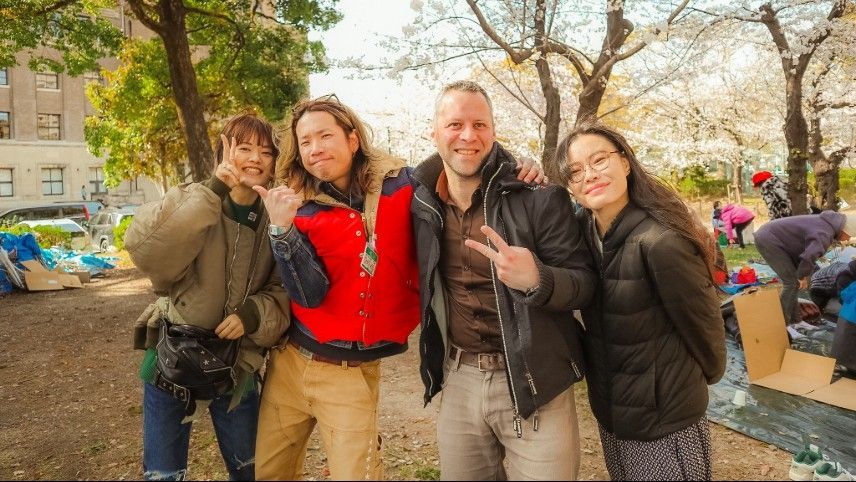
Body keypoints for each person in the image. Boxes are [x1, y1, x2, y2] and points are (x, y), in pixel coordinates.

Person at [252, 94, 544, 480]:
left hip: (350, 370)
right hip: (292, 359)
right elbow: (309, 294)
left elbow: (462, 153)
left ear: (352, 139)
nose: (315, 149)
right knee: (269, 472)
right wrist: (282, 231)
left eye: (324, 136)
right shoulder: (295, 204)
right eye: (305, 142)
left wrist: (518, 165)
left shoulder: (404, 184)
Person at [411, 80, 596, 480]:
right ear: (434, 131)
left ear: (493, 132)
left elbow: (584, 283)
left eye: (480, 125)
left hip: (535, 379)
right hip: (459, 377)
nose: (467, 136)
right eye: (455, 124)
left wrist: (538, 279)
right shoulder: (419, 202)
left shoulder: (539, 198)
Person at [125, 113, 290, 481]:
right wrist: (214, 190)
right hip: (171, 357)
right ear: (222, 154)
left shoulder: (277, 215)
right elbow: (147, 251)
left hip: (237, 363)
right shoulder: (192, 197)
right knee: (162, 473)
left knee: (251, 468)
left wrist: (252, 314)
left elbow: (286, 288)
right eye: (243, 148)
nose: (254, 159)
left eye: (265, 152)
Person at [557, 120, 726, 480]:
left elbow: (705, 324)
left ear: (626, 163)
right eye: (575, 171)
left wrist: (701, 381)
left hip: (664, 416)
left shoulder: (660, 241)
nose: (590, 174)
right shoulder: (583, 233)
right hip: (613, 410)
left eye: (599, 160)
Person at [754, 212, 856, 326]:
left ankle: (796, 321)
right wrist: (801, 276)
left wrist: (801, 273)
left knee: (794, 283)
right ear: (845, 230)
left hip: (778, 240)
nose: (848, 238)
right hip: (769, 240)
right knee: (791, 283)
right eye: (850, 235)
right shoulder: (824, 233)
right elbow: (808, 257)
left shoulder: (827, 225)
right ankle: (782, 325)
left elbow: (804, 252)